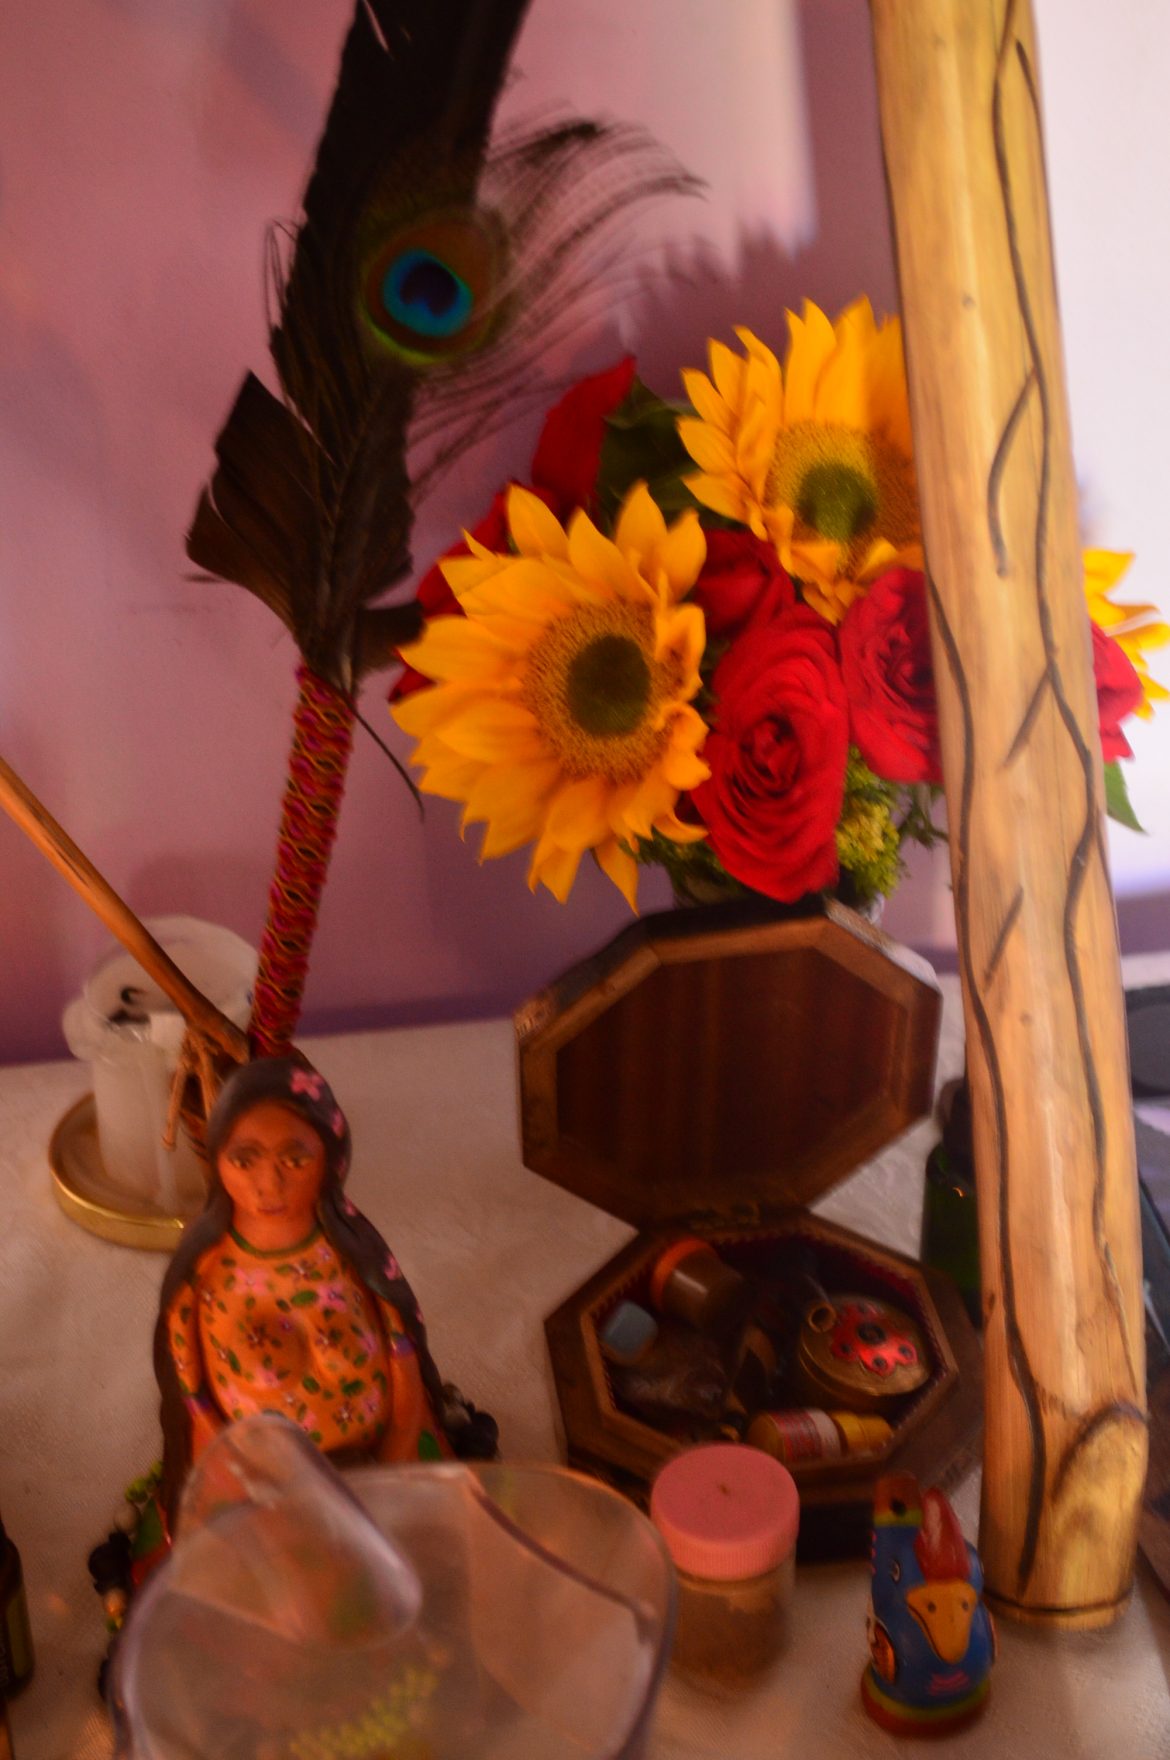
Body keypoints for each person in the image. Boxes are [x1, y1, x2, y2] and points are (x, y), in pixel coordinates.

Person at [154, 1056, 476, 1521]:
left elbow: (403, 1360)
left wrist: (398, 1454)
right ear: (218, 1159)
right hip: (260, 1499)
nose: (269, 1184)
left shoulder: (357, 1255)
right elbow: (192, 1398)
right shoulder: (202, 1273)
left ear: (330, 1158)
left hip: (382, 1477)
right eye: (245, 1160)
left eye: (294, 1159)